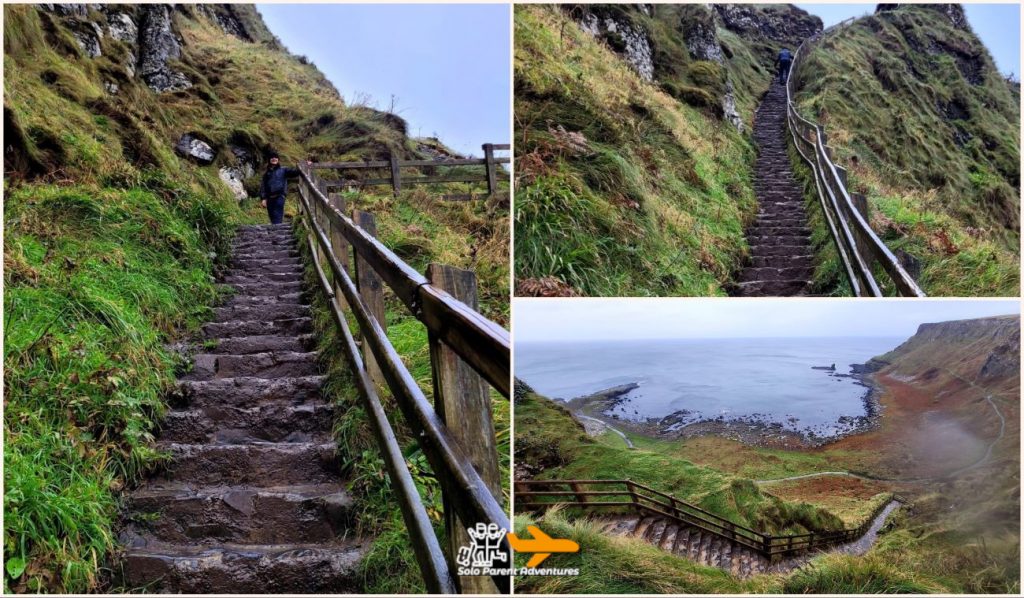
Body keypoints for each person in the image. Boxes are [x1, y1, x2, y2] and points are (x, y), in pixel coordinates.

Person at [259, 153, 306, 224]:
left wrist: (305, 165)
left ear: (278, 159)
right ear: (269, 160)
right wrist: (263, 198)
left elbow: (295, 172)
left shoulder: (283, 170)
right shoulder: (266, 174)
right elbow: (263, 187)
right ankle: (276, 228)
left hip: (280, 196)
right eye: (272, 157)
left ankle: (277, 229)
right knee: (272, 216)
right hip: (269, 198)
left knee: (277, 213)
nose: (274, 158)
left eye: (275, 157)